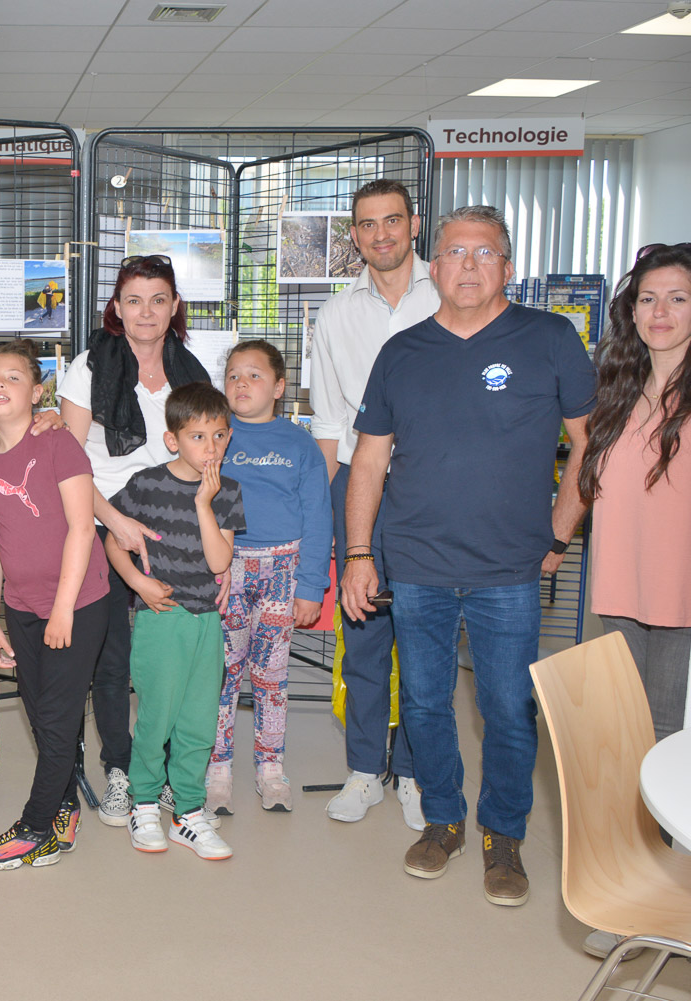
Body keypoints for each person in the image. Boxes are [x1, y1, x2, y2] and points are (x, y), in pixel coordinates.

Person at [341, 205, 595, 907]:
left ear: (507, 267)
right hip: (416, 563)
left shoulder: (550, 338)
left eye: (485, 252)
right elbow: (369, 460)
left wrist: (558, 534)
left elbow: (589, 442)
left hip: (509, 568)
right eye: (455, 252)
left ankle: (503, 834)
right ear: (435, 266)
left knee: (507, 708)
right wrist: (359, 553)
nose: (470, 265)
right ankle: (443, 820)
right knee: (424, 702)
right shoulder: (403, 351)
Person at [575, 242, 691, 958]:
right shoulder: (617, 387)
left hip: (688, 603)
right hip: (620, 591)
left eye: (677, 298)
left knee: (674, 748)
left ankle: (676, 906)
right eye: (648, 298)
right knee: (628, 745)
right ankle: (638, 897)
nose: (660, 311)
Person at [58, 253, 212, 825]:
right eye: (133, 300)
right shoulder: (88, 368)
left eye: (157, 300)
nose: (145, 312)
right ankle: (120, 769)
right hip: (100, 519)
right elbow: (67, 461)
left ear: (174, 307)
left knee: (169, 657)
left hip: (173, 525)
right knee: (113, 656)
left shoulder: (192, 373)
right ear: (116, 309)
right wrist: (114, 521)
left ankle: (165, 770)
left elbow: (206, 456)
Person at [310, 178, 439, 830]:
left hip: (433, 493)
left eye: (392, 220)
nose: (381, 234)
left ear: (413, 224)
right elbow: (329, 423)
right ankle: (364, 768)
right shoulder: (335, 315)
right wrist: (329, 518)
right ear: (354, 235)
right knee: (362, 635)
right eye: (367, 224)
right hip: (359, 490)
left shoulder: (449, 296)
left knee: (423, 635)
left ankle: (413, 773)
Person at [0, 340, 109, 869]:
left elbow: (81, 527)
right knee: (43, 717)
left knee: (55, 718)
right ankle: (65, 808)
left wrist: (64, 608)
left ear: (37, 391)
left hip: (78, 603)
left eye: (12, 376)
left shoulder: (58, 443)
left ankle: (33, 828)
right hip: (22, 608)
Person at [103, 381, 244, 860]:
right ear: (173, 440)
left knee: (199, 723)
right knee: (157, 718)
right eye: (198, 437)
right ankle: (143, 804)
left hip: (207, 623)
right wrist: (136, 583)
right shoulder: (146, 485)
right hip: (162, 619)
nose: (211, 448)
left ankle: (188, 813)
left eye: (219, 436)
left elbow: (220, 561)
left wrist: (204, 503)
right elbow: (114, 539)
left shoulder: (227, 492)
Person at [210, 340, 332, 814]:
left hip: (283, 571)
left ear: (280, 387)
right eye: (233, 375)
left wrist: (311, 586)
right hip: (227, 569)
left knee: (271, 676)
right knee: (221, 674)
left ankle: (271, 768)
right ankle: (217, 768)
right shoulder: (214, 436)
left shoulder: (300, 444)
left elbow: (318, 516)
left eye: (254, 375)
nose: (241, 383)